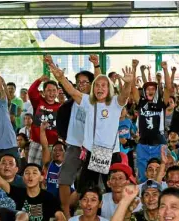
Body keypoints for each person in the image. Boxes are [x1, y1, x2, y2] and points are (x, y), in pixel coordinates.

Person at [48, 55, 132, 194]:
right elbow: (72, 92)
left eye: (104, 85)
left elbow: (124, 96)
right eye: (97, 85)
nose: (100, 88)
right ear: (93, 88)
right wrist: (61, 78)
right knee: (84, 190)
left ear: (109, 88)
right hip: (91, 152)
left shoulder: (115, 103)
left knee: (114, 190)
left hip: (110, 153)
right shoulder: (88, 102)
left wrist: (128, 83)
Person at [57, 54, 100, 219]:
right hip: (74, 146)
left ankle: (90, 212)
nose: (81, 85)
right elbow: (61, 120)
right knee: (64, 179)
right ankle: (67, 215)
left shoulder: (97, 101)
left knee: (91, 183)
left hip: (94, 148)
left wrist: (96, 66)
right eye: (79, 82)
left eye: (85, 82)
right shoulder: (70, 102)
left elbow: (99, 81)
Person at [0, 150, 66, 221]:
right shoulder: (19, 193)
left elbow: (60, 217)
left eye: (34, 173)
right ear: (23, 178)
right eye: (27, 173)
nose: (30, 176)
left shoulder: (49, 197)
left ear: (41, 178)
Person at [131, 61, 172, 182]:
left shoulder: (161, 104)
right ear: (144, 91)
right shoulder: (141, 103)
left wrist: (165, 69)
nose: (150, 90)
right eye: (148, 88)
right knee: (143, 178)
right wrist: (134, 68)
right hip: (143, 145)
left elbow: (169, 88)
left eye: (153, 89)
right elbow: (132, 87)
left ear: (156, 91)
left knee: (160, 176)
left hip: (159, 145)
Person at [28, 66, 60, 165]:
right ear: (44, 92)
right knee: (33, 168)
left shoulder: (60, 107)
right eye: (49, 90)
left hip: (52, 144)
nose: (51, 93)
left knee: (49, 170)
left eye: (54, 90)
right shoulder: (38, 102)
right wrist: (40, 79)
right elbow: (31, 91)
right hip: (36, 142)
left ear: (58, 92)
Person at [101, 153, 138, 220]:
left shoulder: (136, 202)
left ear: (127, 182)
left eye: (120, 178)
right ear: (108, 183)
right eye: (114, 178)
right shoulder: (101, 200)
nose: (117, 182)